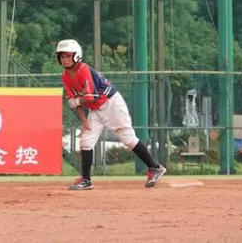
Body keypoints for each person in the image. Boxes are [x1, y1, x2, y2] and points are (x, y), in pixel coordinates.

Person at [57, 38, 166, 190]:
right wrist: (84, 122)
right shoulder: (65, 76)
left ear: (76, 56)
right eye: (62, 56)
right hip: (95, 109)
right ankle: (86, 180)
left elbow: (89, 97)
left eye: (68, 55)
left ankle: (154, 167)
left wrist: (77, 102)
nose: (65, 59)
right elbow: (73, 102)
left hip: (111, 103)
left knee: (128, 139)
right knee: (86, 141)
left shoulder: (83, 70)